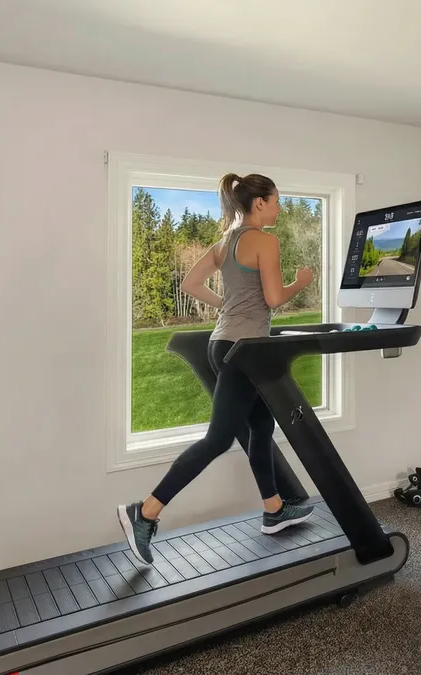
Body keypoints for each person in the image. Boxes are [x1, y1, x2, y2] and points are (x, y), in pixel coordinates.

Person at [118, 172, 316, 566]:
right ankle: (145, 512)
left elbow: (191, 283)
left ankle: (274, 509)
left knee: (261, 427)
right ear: (259, 202)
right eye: (276, 201)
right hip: (244, 350)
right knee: (219, 439)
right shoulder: (263, 240)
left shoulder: (225, 242)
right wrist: (301, 282)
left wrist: (224, 304)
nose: (278, 208)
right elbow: (274, 298)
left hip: (223, 342)